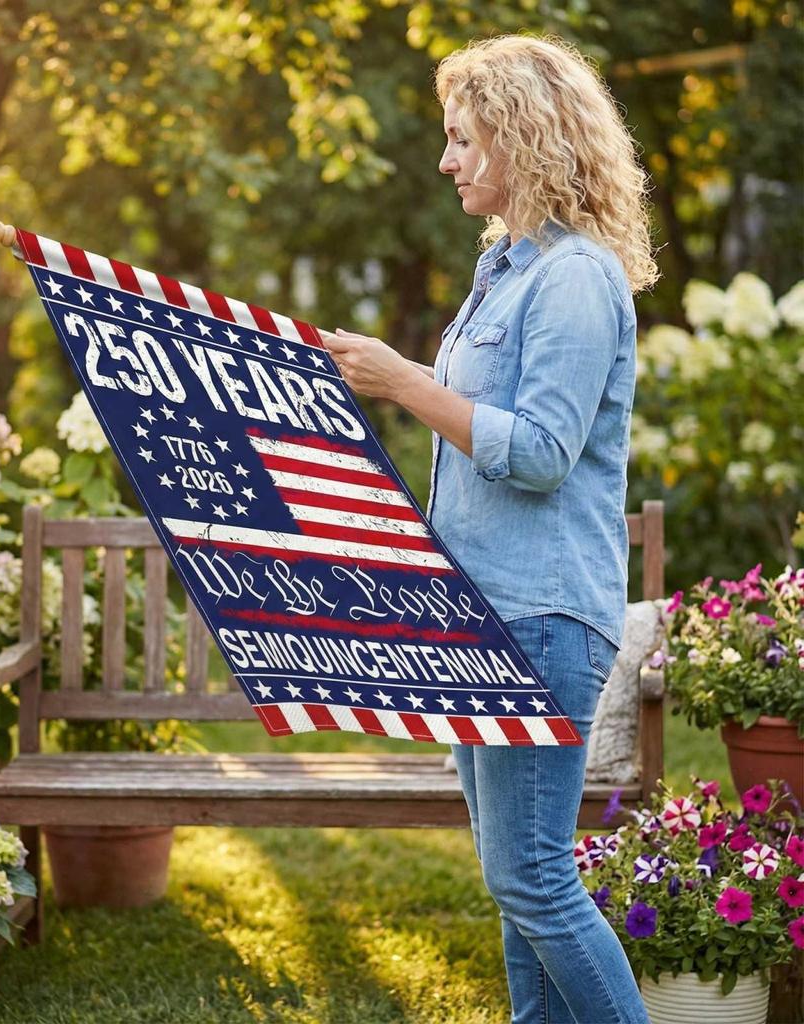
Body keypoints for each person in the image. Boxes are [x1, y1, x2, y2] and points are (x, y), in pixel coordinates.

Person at [320, 33, 660, 1024]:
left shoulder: (576, 279)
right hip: (483, 614)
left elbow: (543, 451)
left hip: (541, 614)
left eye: (463, 138)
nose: (446, 159)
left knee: (533, 878)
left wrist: (405, 382)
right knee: (517, 890)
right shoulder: (505, 271)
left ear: (522, 136)